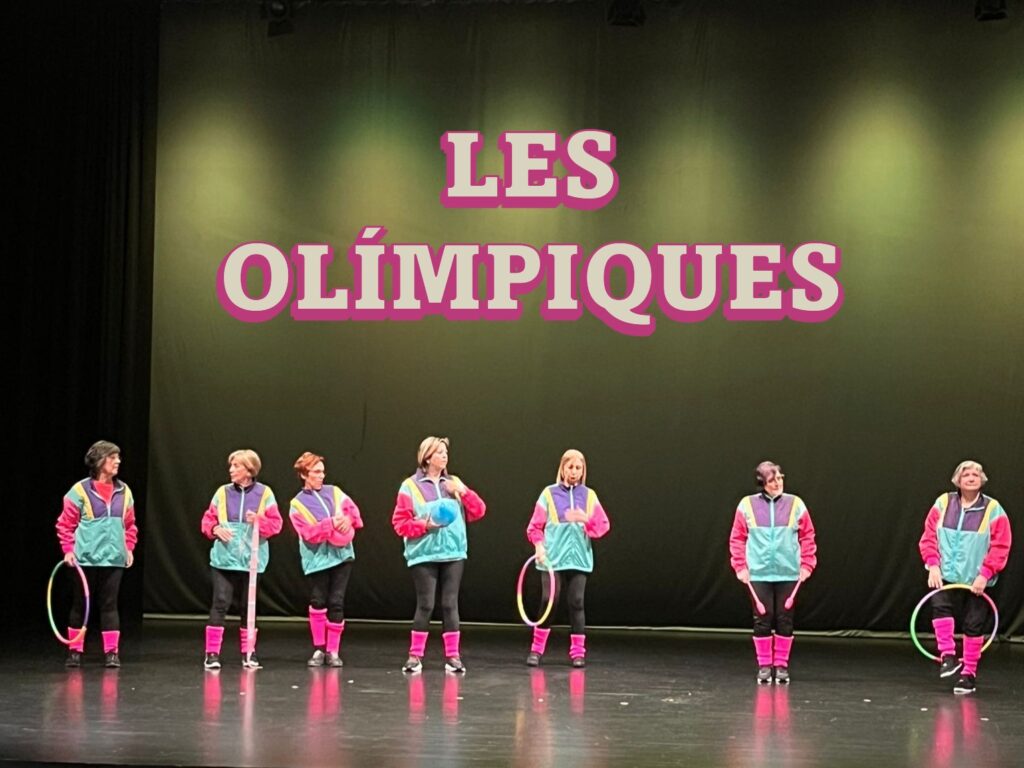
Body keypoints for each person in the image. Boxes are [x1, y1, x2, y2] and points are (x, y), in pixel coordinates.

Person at [391, 436, 486, 673]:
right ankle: (415, 656)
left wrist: (462, 491)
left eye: (446, 452)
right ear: (427, 457)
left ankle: (453, 657)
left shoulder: (454, 483)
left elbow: (479, 511)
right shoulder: (410, 486)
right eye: (440, 452)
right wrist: (424, 525)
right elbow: (400, 523)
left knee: (450, 604)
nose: (445, 456)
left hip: (453, 553)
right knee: (426, 604)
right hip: (424, 554)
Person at [919, 460, 1011, 695]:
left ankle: (968, 674)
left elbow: (1001, 545)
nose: (971, 478)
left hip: (977, 579)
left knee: (973, 623)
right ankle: (948, 656)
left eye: (975, 474)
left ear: (982, 480)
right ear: (957, 480)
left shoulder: (993, 509)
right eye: (966, 474)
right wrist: (933, 565)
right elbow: (928, 536)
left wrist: (985, 574)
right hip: (944, 574)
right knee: (939, 606)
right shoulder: (943, 502)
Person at [729, 461, 817, 684]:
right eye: (772, 480)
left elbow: (808, 536)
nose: (778, 483)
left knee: (784, 619)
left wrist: (807, 564)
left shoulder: (796, 504)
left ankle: (782, 666)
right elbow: (737, 538)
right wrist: (740, 566)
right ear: (762, 483)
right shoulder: (746, 505)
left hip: (789, 572)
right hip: (758, 573)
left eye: (779, 478)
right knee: (762, 620)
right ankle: (764, 666)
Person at [56, 440, 138, 668]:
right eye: (112, 457)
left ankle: (112, 652)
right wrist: (68, 550)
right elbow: (65, 524)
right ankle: (75, 650)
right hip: (85, 558)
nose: (118, 461)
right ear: (99, 460)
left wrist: (129, 547)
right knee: (80, 604)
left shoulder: (124, 491)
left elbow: (130, 524)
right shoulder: (79, 491)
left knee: (110, 604)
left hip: (113, 559)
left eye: (118, 457)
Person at [524, 449, 610, 668]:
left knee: (577, 602)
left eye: (578, 468)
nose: (574, 472)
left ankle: (578, 653)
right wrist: (539, 546)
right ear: (562, 469)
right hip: (552, 559)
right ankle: (536, 649)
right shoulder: (548, 494)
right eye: (570, 467)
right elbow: (534, 527)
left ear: (583, 471)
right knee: (549, 601)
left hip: (579, 560)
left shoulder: (589, 496)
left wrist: (586, 519)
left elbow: (603, 526)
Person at [200, 449, 282, 670]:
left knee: (248, 608)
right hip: (224, 559)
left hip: (251, 561)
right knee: (220, 602)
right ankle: (212, 653)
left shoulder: (265, 494)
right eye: (231, 465)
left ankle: (249, 652)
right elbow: (208, 520)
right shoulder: (222, 492)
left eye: (236, 466)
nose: (231, 469)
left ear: (249, 470)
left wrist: (259, 520)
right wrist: (215, 528)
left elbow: (276, 525)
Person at [289, 451, 363, 667]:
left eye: (322, 471)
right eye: (316, 472)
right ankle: (319, 648)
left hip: (342, 556)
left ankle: (333, 651)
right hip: (317, 559)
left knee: (336, 602)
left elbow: (355, 515)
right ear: (304, 474)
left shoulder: (335, 492)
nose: (321, 475)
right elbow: (308, 534)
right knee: (318, 600)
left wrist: (347, 520)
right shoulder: (297, 504)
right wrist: (330, 524)